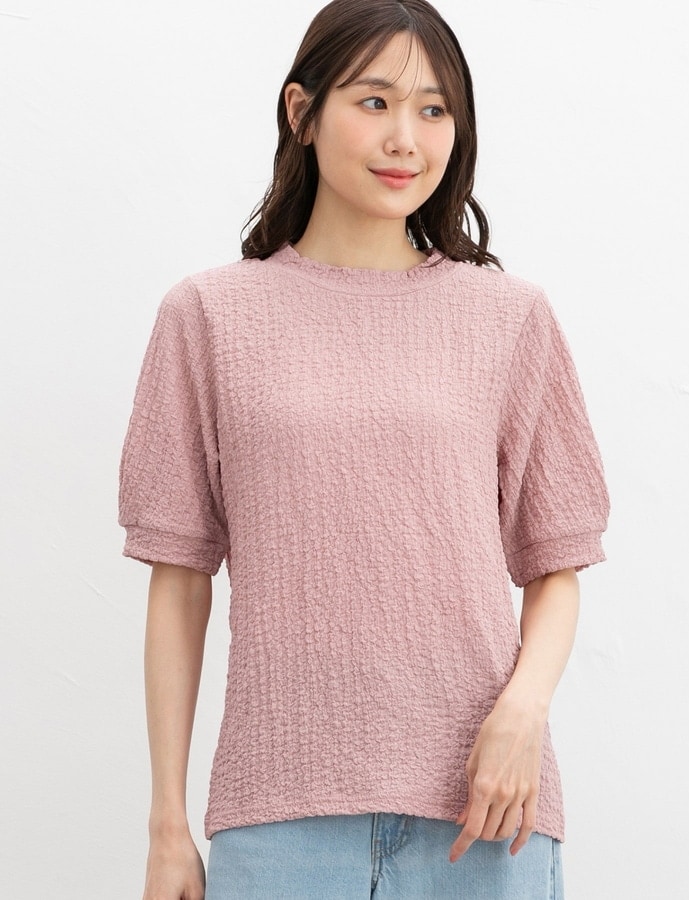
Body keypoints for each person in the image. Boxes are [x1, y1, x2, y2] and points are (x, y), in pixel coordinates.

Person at [118, 1, 610, 897]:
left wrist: (524, 711)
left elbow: (557, 564)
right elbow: (179, 580)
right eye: (375, 102)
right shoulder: (209, 317)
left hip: (486, 812)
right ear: (301, 112)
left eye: (433, 110)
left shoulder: (509, 319)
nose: (405, 140)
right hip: (279, 821)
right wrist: (165, 823)